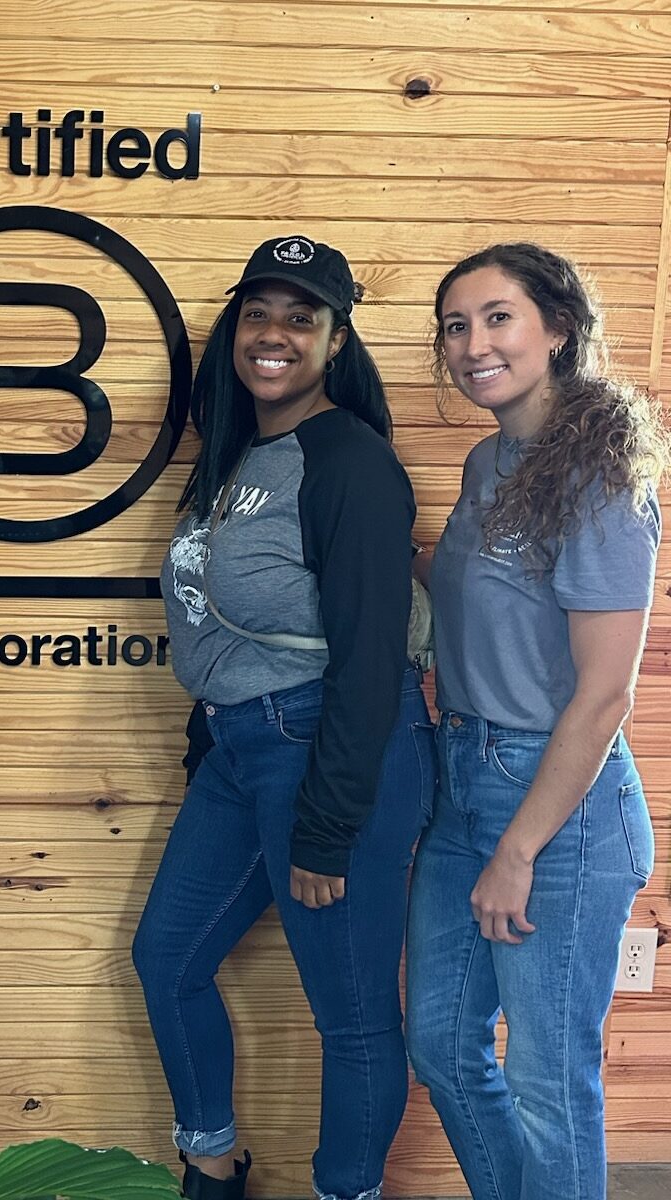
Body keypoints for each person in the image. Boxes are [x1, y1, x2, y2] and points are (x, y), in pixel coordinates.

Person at [132, 235, 436, 1200]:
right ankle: (213, 1162)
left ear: (337, 340)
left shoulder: (349, 461)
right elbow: (211, 618)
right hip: (244, 748)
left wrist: (329, 823)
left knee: (350, 1018)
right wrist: (209, 737)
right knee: (166, 959)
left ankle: (349, 1190)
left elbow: (371, 656)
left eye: (301, 317)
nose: (275, 334)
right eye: (258, 314)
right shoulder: (236, 456)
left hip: (334, 754)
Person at [405, 243, 666, 1200]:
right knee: (440, 1043)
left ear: (557, 328)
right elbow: (489, 603)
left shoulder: (599, 477)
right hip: (462, 773)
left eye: (497, 316)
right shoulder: (489, 459)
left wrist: (519, 847)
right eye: (455, 324)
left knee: (549, 1081)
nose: (473, 343)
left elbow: (604, 696)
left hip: (559, 804)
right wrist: (388, 552)